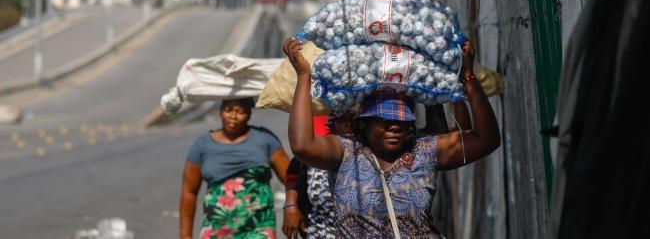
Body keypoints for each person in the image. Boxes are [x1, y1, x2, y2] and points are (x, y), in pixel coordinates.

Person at [282, 38, 500, 238]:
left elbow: (486, 140)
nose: (394, 126)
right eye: (384, 120)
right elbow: (301, 145)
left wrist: (468, 79)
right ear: (364, 124)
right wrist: (304, 77)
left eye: (403, 121)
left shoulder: (424, 151)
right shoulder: (346, 152)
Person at [179, 97, 290, 239]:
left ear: (249, 114)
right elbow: (189, 192)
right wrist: (185, 236)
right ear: (220, 112)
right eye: (228, 110)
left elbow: (291, 179)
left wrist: (292, 207)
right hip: (216, 229)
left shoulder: (265, 139)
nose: (233, 116)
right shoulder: (202, 145)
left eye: (240, 111)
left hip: (258, 228)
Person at [282, 112, 355, 239]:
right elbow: (294, 168)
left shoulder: (372, 149)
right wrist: (291, 205)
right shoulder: (322, 141)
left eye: (353, 119)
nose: (348, 124)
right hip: (318, 224)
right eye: (341, 119)